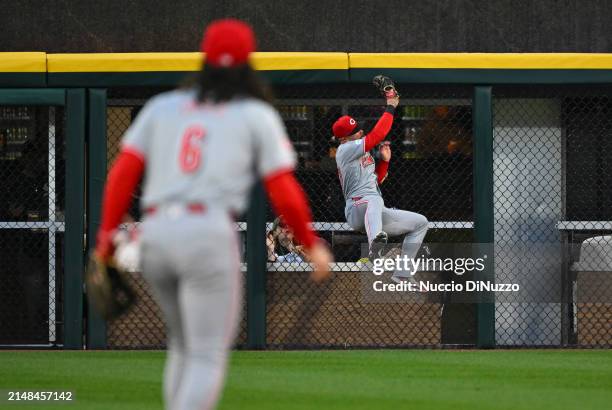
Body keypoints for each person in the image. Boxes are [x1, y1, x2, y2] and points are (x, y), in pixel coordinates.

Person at [94, 19, 332, 410]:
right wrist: (310, 244)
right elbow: (284, 191)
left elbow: (122, 174)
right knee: (205, 355)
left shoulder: (162, 107)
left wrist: (106, 238)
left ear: (204, 60)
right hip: (206, 232)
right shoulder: (255, 115)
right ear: (246, 65)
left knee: (183, 347)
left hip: (156, 232)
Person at [332, 94, 428, 282]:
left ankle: (402, 273)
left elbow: (376, 181)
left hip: (373, 210)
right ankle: (375, 252)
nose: (360, 132)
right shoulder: (345, 150)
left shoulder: (358, 150)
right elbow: (378, 134)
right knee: (375, 200)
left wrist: (384, 162)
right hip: (357, 208)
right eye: (355, 132)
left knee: (420, 223)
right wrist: (391, 106)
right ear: (343, 139)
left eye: (359, 129)